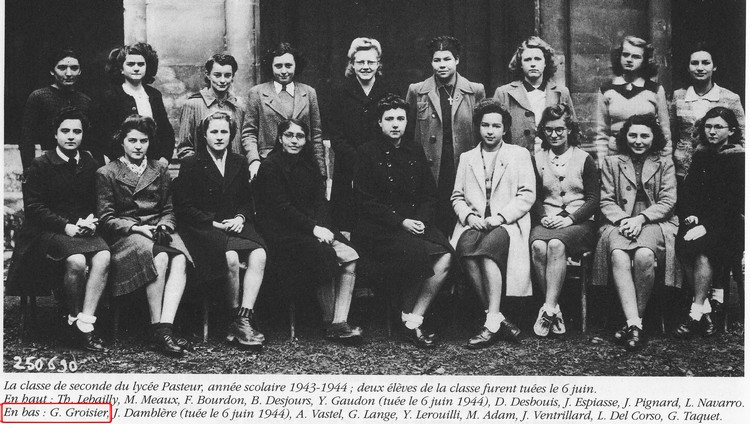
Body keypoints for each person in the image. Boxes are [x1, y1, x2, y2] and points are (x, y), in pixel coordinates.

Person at [353, 94, 453, 349]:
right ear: (379, 122)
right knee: (416, 253)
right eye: (389, 119)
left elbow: (429, 194)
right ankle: (408, 319)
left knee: (445, 255)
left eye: (400, 118)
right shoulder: (366, 152)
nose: (395, 124)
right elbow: (365, 202)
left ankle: (413, 318)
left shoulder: (414, 149)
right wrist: (401, 222)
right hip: (380, 228)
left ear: (407, 122)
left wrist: (419, 221)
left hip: (415, 224)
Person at [7, 107, 110, 351]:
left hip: (80, 229)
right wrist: (66, 226)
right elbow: (34, 208)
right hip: (45, 232)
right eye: (65, 131)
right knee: (76, 260)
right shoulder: (41, 164)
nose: (71, 136)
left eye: (77, 131)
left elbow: (97, 200)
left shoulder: (90, 163)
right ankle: (72, 319)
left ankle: (85, 323)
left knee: (104, 256)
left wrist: (91, 221)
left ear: (83, 134)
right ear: (55, 134)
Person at [254, 119, 362, 343]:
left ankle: (340, 321)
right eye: (289, 135)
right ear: (280, 138)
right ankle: (329, 321)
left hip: (313, 228)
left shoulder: (309, 164)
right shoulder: (270, 166)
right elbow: (281, 208)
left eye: (300, 136)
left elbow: (320, 201)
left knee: (350, 255)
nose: (294, 141)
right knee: (324, 254)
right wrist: (314, 229)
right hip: (282, 232)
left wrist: (323, 227)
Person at [96, 115, 192, 356]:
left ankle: (165, 328)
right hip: (126, 236)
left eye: (144, 141)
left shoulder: (160, 168)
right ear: (122, 142)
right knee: (159, 256)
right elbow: (106, 218)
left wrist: (165, 226)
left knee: (180, 258)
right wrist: (136, 228)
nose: (138, 146)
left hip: (158, 229)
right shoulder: (107, 172)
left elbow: (168, 209)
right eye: (132, 140)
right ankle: (156, 326)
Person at [174, 112, 267, 348]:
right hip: (202, 227)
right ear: (204, 135)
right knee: (231, 257)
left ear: (231, 135)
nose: (219, 137)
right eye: (213, 131)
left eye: (224, 132)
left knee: (259, 254)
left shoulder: (239, 161)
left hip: (234, 224)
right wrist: (212, 222)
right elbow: (183, 206)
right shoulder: (191, 163)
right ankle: (233, 315)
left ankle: (243, 317)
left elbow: (247, 200)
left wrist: (240, 217)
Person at [451, 99, 535, 348]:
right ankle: (496, 317)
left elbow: (527, 194)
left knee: (488, 252)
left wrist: (500, 217)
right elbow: (457, 196)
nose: (490, 131)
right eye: (485, 125)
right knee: (465, 250)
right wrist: (469, 217)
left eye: (496, 126)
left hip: (507, 222)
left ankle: (490, 324)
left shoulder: (519, 155)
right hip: (475, 222)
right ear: (478, 127)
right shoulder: (467, 158)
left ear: (505, 129)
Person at [593, 114, 678, 351]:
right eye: (633, 135)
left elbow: (668, 201)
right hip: (618, 221)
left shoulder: (665, 163)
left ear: (653, 137)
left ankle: (632, 323)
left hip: (655, 221)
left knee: (644, 255)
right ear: (625, 137)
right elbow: (606, 200)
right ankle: (635, 324)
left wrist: (641, 219)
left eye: (644, 136)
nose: (638, 141)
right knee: (618, 255)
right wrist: (624, 220)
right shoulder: (612, 162)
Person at [529, 104, 599, 337]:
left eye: (560, 129)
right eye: (549, 130)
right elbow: (534, 196)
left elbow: (593, 199)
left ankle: (548, 309)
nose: (554, 134)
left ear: (569, 129)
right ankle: (555, 310)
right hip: (548, 218)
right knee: (538, 246)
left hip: (579, 222)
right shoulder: (538, 158)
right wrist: (543, 217)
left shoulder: (584, 158)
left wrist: (570, 219)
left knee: (556, 245)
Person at [674, 107, 744, 338]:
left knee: (703, 251)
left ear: (731, 130)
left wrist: (706, 226)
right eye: (708, 126)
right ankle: (705, 309)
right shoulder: (701, 155)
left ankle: (695, 313)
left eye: (718, 127)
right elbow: (689, 191)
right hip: (700, 220)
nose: (712, 131)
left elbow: (735, 202)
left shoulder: (740, 159)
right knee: (682, 244)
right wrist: (691, 214)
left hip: (730, 224)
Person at [406, 35, 486, 236]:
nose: (442, 65)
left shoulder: (475, 90)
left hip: (461, 164)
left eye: (447, 59)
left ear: (457, 60)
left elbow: (483, 131)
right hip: (430, 167)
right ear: (431, 62)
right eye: (437, 60)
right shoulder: (417, 91)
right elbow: (408, 132)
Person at [327, 37, 393, 235]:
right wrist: (357, 160)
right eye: (360, 62)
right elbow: (336, 135)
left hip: (381, 164)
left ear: (378, 64)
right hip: (347, 167)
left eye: (370, 62)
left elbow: (394, 128)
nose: (365, 67)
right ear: (352, 64)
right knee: (347, 223)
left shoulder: (389, 90)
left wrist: (376, 158)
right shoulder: (338, 92)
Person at [241, 43, 326, 179]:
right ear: (271, 66)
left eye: (288, 65)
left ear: (296, 66)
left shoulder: (308, 92)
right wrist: (254, 160)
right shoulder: (257, 93)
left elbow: (316, 135)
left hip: (303, 165)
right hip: (269, 164)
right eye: (278, 66)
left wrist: (321, 171)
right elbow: (249, 133)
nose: (284, 71)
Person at [671, 42, 745, 184]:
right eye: (694, 63)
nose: (700, 68)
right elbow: (672, 133)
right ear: (688, 67)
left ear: (714, 66)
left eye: (706, 63)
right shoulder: (678, 96)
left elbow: (743, 136)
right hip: (681, 169)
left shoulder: (730, 98)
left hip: (718, 170)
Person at [20, 48, 102, 169]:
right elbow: (26, 138)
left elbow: (95, 141)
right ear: (52, 71)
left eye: (74, 68)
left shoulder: (85, 101)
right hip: (47, 165)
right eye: (62, 68)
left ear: (80, 71)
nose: (68, 73)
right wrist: (29, 170)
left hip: (78, 166)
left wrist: (100, 171)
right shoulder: (39, 97)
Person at [595, 36, 671, 166]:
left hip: (648, 159)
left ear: (645, 60)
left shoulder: (655, 90)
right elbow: (602, 132)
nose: (629, 60)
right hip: (615, 158)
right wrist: (603, 163)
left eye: (636, 57)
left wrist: (666, 163)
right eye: (625, 55)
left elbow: (665, 133)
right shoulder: (607, 90)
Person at [493, 36, 576, 153]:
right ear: (520, 64)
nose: (533, 64)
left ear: (545, 63)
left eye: (537, 59)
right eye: (527, 60)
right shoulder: (504, 93)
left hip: (551, 159)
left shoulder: (561, 93)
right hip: (515, 159)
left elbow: (573, 132)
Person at [101, 42, 175, 164]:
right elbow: (103, 133)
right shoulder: (111, 96)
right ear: (121, 68)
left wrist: (164, 158)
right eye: (130, 64)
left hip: (152, 163)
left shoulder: (154, 95)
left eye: (141, 64)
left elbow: (166, 131)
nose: (136, 68)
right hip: (120, 164)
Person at [176, 54, 246, 161]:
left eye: (227, 75)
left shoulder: (239, 107)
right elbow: (184, 148)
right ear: (208, 75)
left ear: (233, 77)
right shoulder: (193, 105)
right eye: (217, 75)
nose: (222, 80)